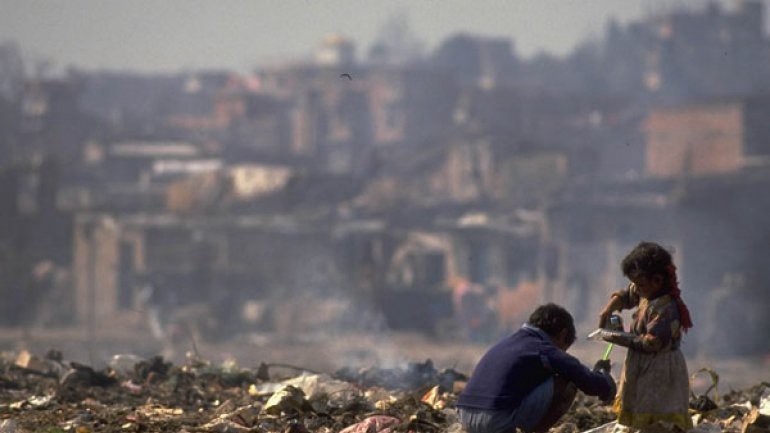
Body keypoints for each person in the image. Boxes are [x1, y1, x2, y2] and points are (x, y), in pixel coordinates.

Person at [457, 303, 616, 433]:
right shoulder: (544, 348)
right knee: (567, 383)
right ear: (562, 335)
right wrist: (603, 376)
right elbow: (588, 382)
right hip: (494, 420)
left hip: (464, 417)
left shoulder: (507, 343)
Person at [597, 241, 693, 431]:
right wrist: (609, 307)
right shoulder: (646, 290)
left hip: (659, 369)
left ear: (657, 280)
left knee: (657, 420)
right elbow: (628, 295)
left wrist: (616, 337)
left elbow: (651, 343)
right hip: (640, 364)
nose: (636, 288)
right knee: (639, 413)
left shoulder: (666, 308)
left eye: (640, 284)